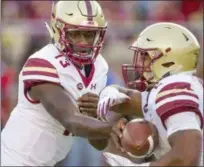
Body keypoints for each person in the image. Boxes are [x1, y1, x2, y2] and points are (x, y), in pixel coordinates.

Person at [1, 1, 114, 166]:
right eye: (75, 34)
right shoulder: (43, 62)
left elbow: (99, 143)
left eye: (89, 34)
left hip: (49, 161)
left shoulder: (99, 66)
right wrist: (119, 128)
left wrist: (96, 116)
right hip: (15, 159)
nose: (83, 42)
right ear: (58, 30)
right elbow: (71, 120)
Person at [97, 22, 203, 166]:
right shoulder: (178, 86)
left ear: (168, 60)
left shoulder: (173, 89)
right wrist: (110, 92)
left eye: (145, 56)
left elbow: (188, 157)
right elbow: (129, 99)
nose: (139, 63)